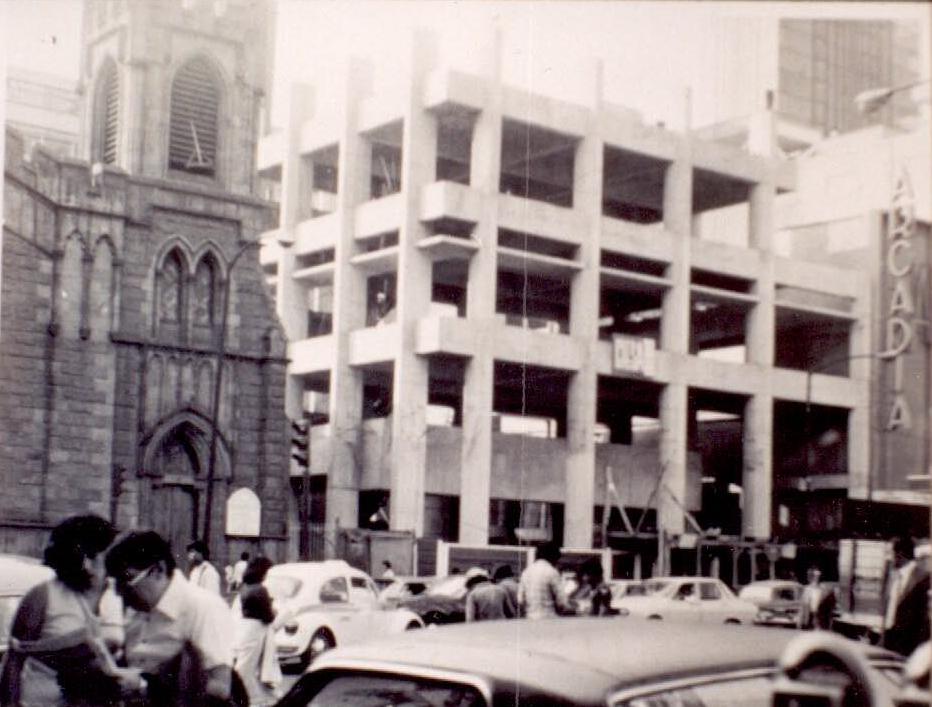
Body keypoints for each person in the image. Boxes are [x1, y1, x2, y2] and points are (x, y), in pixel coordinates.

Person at [0, 514, 140, 707]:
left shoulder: (118, 594)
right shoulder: (43, 595)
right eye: (86, 556)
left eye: (97, 555)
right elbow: (14, 661)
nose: (91, 564)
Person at [106, 530, 238, 706]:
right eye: (115, 584)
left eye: (127, 579)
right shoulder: (136, 609)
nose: (119, 592)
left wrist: (144, 686)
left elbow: (219, 688)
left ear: (159, 570)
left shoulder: (203, 607)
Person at [233, 557, 281, 706]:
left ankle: (254, 698)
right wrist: (274, 610)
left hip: (244, 628)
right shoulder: (261, 589)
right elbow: (269, 617)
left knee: (245, 665)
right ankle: (244, 698)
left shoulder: (244, 587)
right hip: (256, 630)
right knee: (246, 668)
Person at [883, 537, 930, 656]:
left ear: (900, 554)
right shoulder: (894, 576)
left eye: (889, 553)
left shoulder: (924, 578)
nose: (887, 558)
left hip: (909, 648)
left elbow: (924, 618)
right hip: (890, 641)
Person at [518, 542, 574, 620]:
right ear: (553, 557)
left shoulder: (526, 572)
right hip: (549, 619)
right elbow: (562, 602)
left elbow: (520, 600)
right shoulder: (552, 571)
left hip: (530, 619)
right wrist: (573, 609)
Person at [797, 566, 835, 630]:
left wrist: (829, 623)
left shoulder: (826, 590)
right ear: (812, 577)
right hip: (808, 618)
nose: (817, 578)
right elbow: (803, 606)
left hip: (819, 619)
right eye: (815, 576)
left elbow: (830, 609)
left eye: (819, 576)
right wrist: (800, 621)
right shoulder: (807, 589)